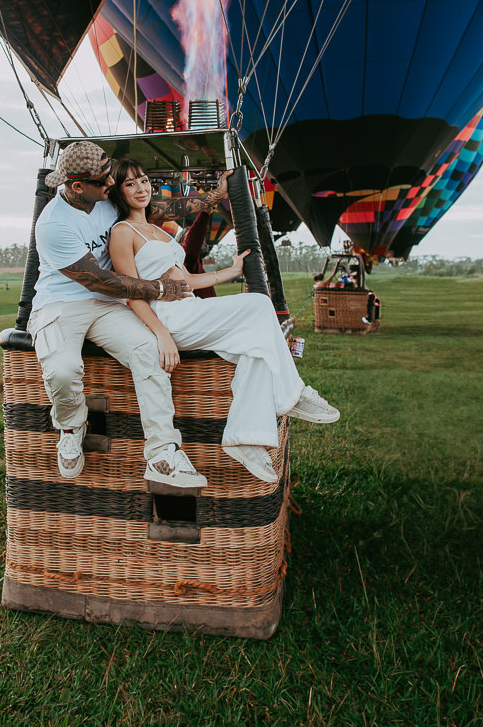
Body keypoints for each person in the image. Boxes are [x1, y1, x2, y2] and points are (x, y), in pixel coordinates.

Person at [108, 158, 340, 485]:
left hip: (189, 309)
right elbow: (132, 293)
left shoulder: (156, 230)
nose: (141, 188)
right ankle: (293, 394)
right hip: (169, 316)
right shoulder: (123, 232)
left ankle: (245, 438)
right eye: (130, 183)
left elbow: (186, 278)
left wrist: (231, 271)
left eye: (144, 180)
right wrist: (160, 334)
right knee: (259, 305)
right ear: (118, 192)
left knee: (256, 348)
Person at [28, 141, 230, 490]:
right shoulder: (53, 225)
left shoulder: (104, 200)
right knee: (62, 370)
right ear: (78, 187)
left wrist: (215, 196)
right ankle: (71, 425)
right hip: (62, 303)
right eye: (104, 180)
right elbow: (102, 280)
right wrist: (159, 289)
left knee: (148, 351)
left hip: (107, 306)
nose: (112, 184)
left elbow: (165, 208)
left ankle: (163, 453)